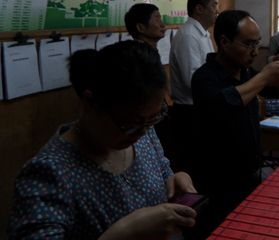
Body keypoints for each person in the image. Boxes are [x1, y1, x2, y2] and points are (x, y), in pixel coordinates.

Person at [8, 41, 197, 239]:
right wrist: (125, 232)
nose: (141, 133)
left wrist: (174, 179)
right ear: (90, 103)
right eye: (129, 124)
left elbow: (163, 170)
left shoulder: (143, 128)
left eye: (153, 118)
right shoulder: (48, 174)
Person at [189, 10, 279, 236]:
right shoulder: (204, 77)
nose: (255, 51)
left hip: (249, 173)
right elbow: (226, 102)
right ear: (224, 42)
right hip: (217, 180)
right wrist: (264, 76)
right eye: (248, 44)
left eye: (257, 43)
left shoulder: (246, 71)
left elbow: (275, 91)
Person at [169, 0, 218, 169]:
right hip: (189, 113)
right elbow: (193, 81)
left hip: (201, 109)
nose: (217, 10)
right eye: (214, 5)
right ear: (199, 9)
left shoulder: (202, 34)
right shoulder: (188, 36)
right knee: (193, 166)